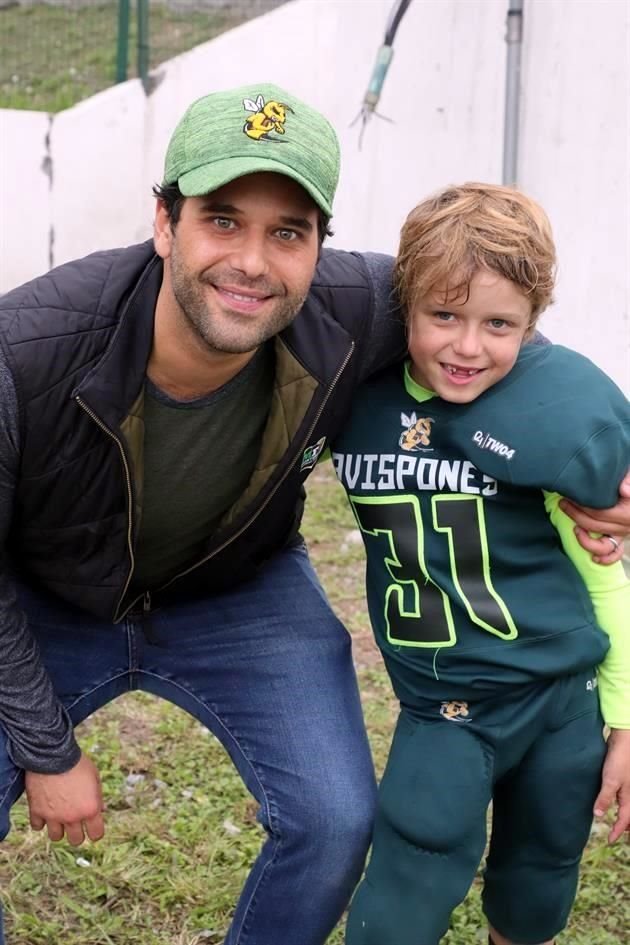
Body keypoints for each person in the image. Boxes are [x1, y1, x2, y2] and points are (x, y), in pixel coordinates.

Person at [0, 87, 627, 945]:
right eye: (222, 219)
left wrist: (608, 466)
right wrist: (46, 746)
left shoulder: (362, 304)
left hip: (238, 593)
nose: (253, 261)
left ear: (321, 245)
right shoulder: (25, 349)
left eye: (288, 231)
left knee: (335, 817)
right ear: (163, 221)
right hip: (44, 602)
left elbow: (507, 329)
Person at [333, 182, 630, 945]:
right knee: (406, 880)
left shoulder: (545, 420)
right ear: (407, 304)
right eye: (444, 315)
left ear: (532, 325)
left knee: (541, 872)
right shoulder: (351, 397)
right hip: (447, 703)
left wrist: (625, 717)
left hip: (562, 698)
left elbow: (602, 571)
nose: (467, 347)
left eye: (498, 323)